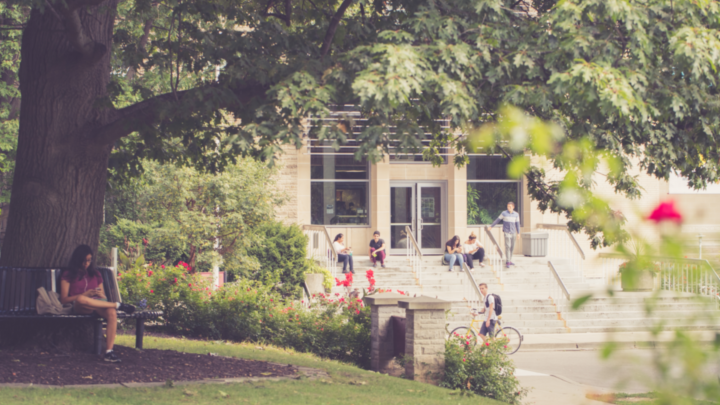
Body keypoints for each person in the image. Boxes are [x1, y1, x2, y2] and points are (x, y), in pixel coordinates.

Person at [59, 245, 136, 363]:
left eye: (89, 260)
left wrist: (101, 295)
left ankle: (109, 352)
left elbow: (103, 296)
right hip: (81, 305)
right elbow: (64, 299)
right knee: (80, 299)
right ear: (77, 260)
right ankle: (118, 305)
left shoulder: (95, 274)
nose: (86, 264)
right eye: (84, 261)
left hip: (98, 304)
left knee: (111, 312)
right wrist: (86, 294)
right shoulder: (68, 274)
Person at [490, 201, 521, 269]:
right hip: (507, 232)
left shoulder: (516, 214)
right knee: (508, 246)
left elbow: (517, 224)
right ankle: (507, 261)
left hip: (513, 233)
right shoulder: (504, 213)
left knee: (512, 247)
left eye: (510, 207)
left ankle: (509, 260)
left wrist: (518, 233)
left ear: (513, 207)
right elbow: (497, 220)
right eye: (508, 206)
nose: (508, 208)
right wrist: (491, 226)